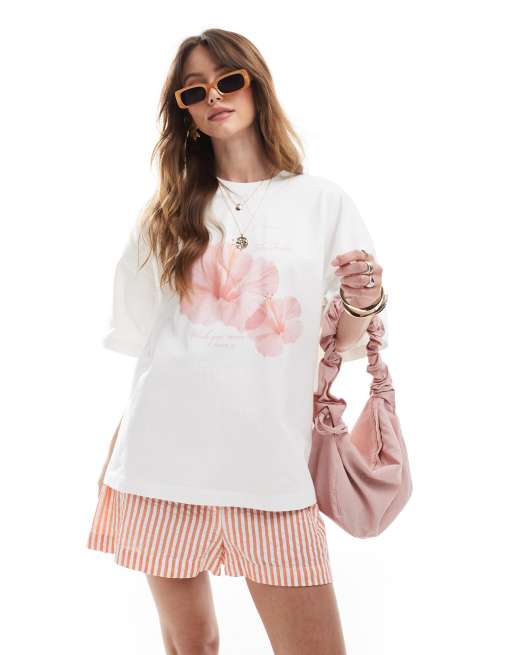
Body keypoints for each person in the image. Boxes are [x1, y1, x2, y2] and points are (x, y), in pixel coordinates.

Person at [86, 28, 388, 655]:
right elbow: (150, 346)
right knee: (192, 644)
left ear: (256, 86)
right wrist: (117, 459)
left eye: (227, 81)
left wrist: (362, 300)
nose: (213, 97)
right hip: (161, 466)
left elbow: (343, 342)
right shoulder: (166, 214)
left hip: (271, 470)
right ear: (185, 112)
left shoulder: (322, 202)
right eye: (194, 91)